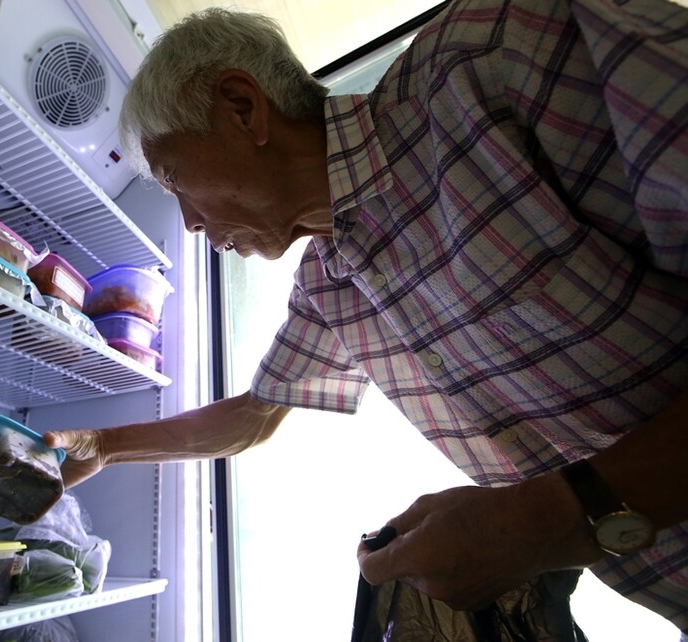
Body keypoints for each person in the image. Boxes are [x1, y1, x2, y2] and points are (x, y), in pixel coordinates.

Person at [44, 0, 688, 631]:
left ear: (242, 109)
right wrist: (102, 445)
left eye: (176, 177)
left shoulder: (497, 52)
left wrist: (548, 518)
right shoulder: (331, 285)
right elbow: (253, 415)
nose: (187, 220)